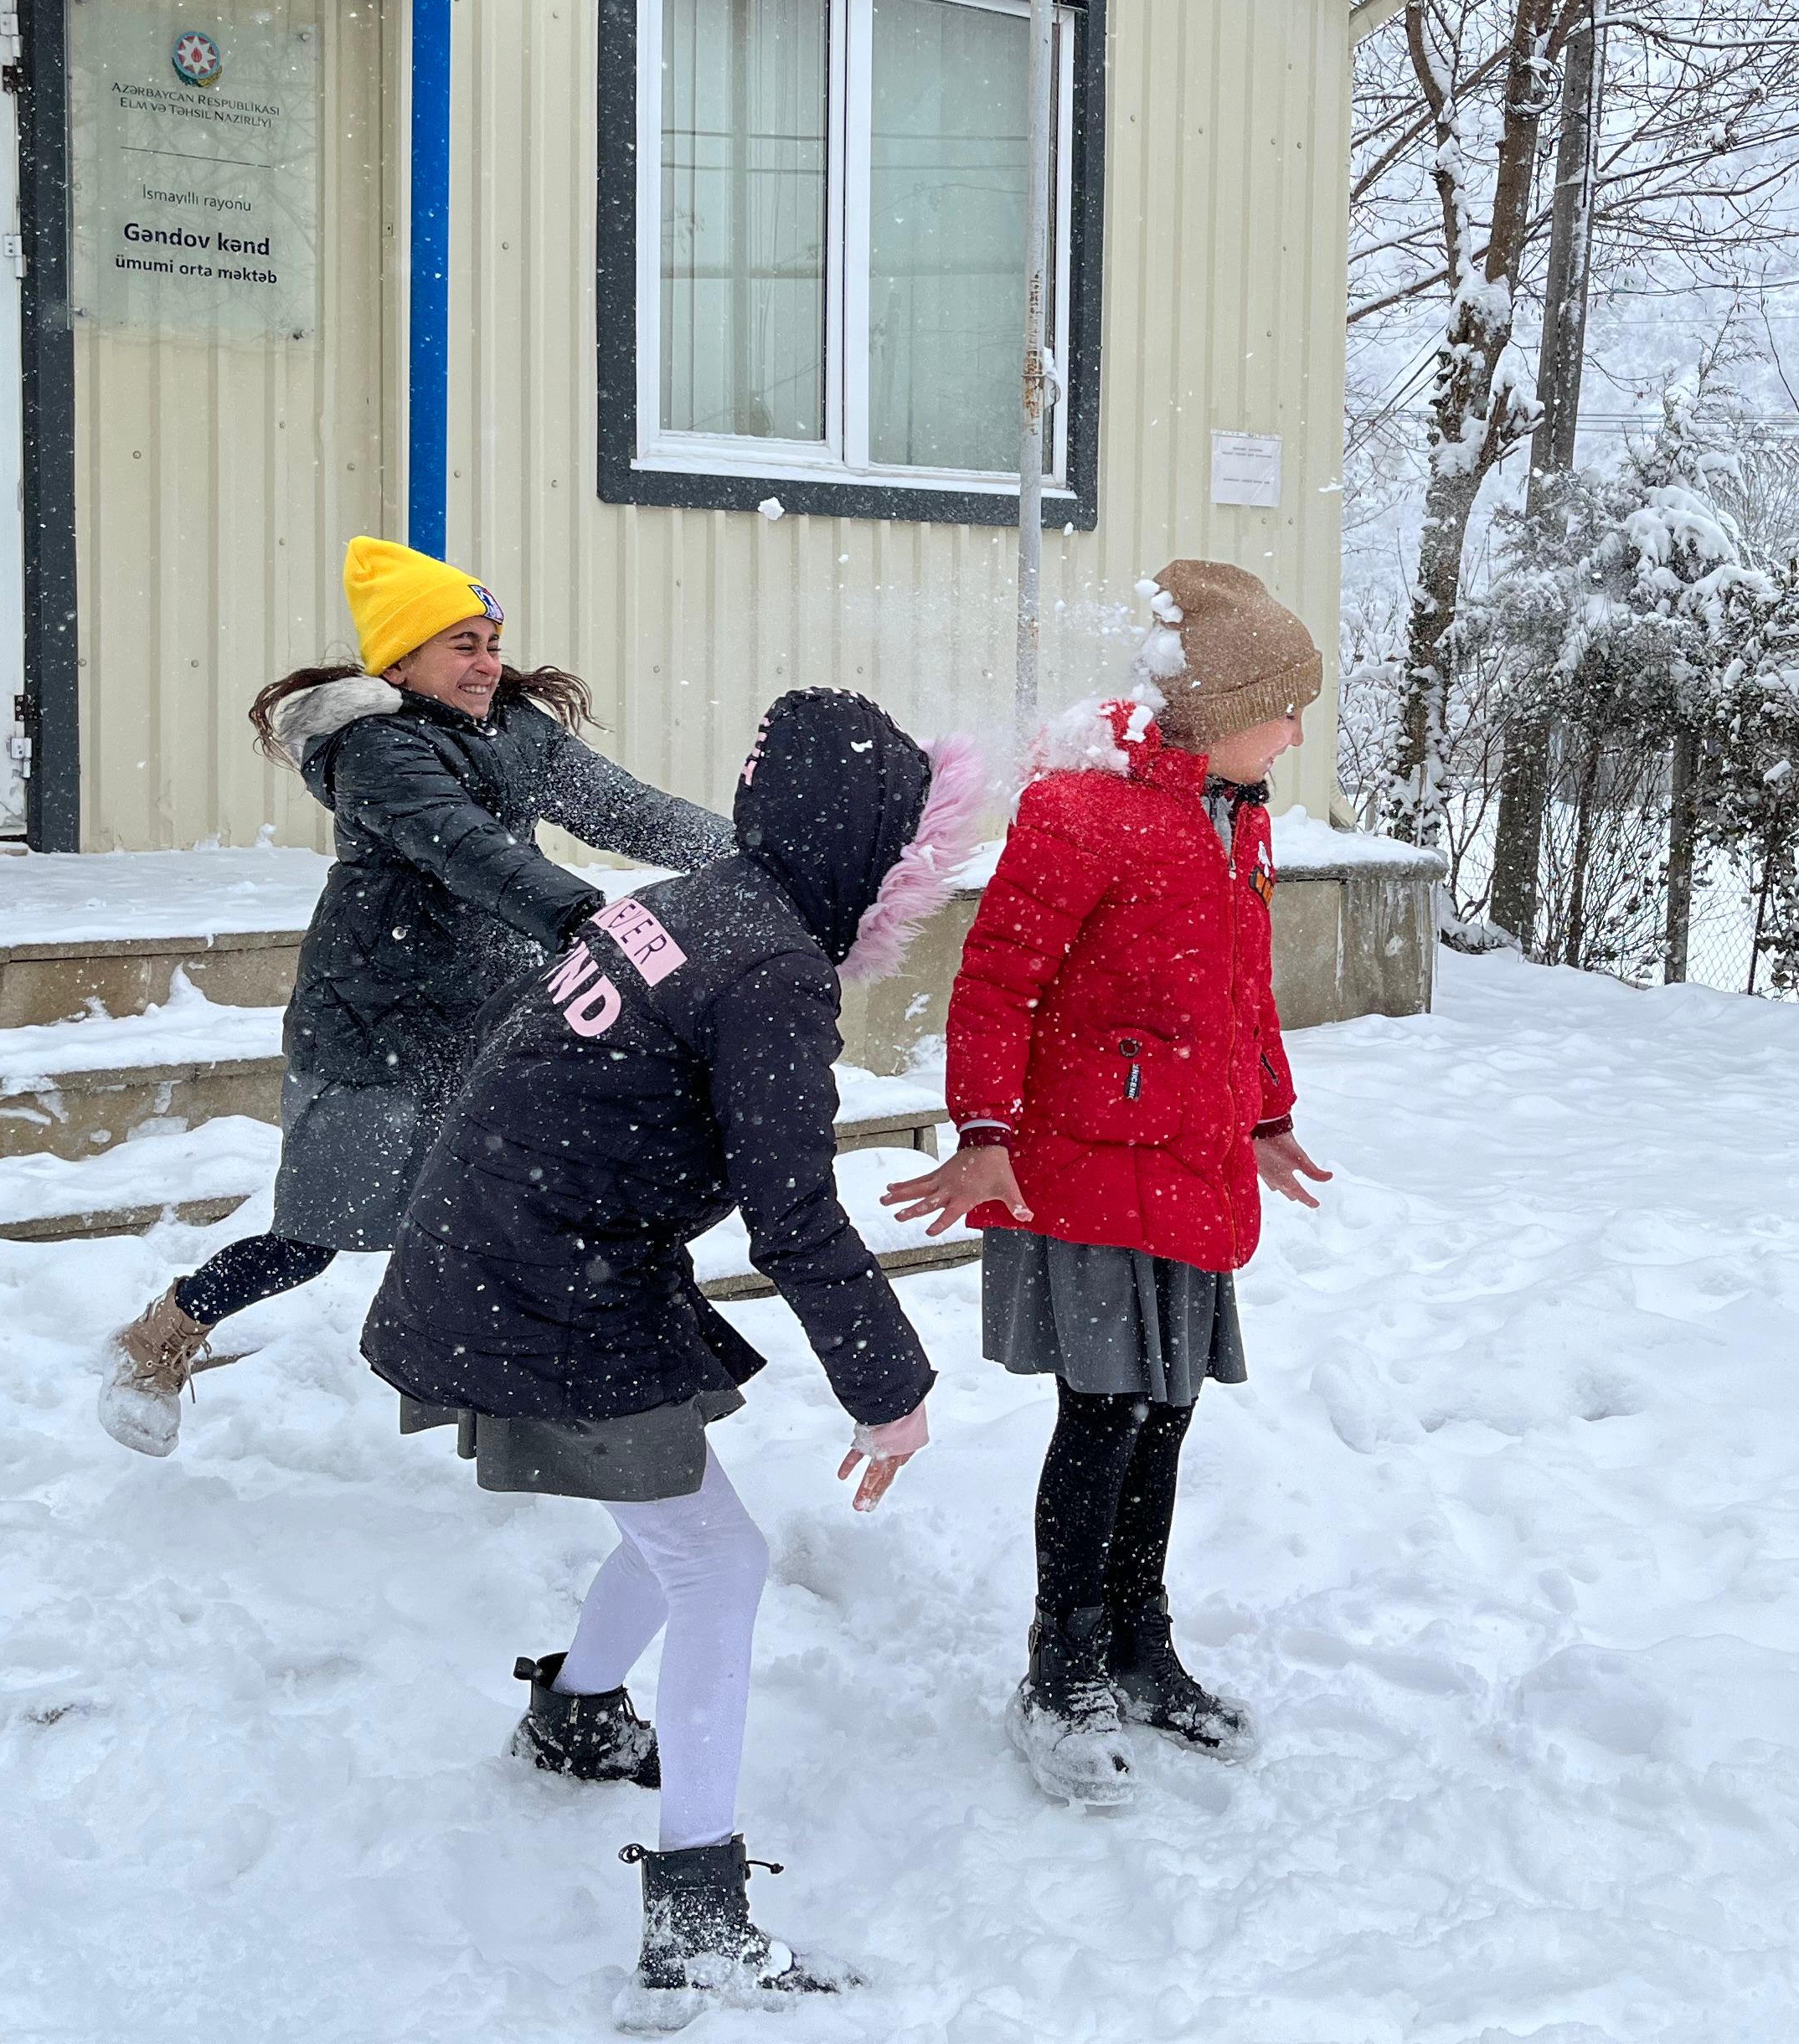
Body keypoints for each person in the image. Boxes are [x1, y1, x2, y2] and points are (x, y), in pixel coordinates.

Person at [363, 687, 980, 2030]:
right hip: (544, 1277)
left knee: (672, 1518)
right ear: (862, 844)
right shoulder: (770, 968)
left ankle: (579, 1716)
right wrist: (892, 1390)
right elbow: (794, 1209)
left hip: (523, 1248)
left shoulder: (708, 898)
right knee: (718, 1559)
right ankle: (697, 1926)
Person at [97, 536, 734, 1454]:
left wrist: (756, 859)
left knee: (516, 1215)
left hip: (496, 1017)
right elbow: (464, 846)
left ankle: (513, 1411)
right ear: (399, 658)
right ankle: (160, 1337)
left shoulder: (516, 731)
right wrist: (591, 918)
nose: (487, 664)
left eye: (492, 641)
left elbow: (629, 810)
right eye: (461, 645)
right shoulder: (374, 748)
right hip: (376, 1029)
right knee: (313, 1235)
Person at [887, 561, 1335, 1810]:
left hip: (1191, 1164)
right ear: (1211, 711)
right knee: (1106, 1416)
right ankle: (1061, 1666)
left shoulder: (1234, 814)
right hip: (1082, 1165)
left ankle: (1141, 1645)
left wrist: (1270, 1112)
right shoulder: (1081, 809)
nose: (1297, 734)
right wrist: (981, 1130)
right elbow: (996, 982)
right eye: (1282, 708)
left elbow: (1242, 987)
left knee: (1170, 1412)